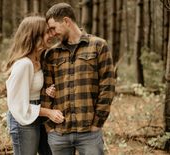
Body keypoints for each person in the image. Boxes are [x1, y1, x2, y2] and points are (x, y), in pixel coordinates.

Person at [40, 3, 115, 155]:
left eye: (53, 28)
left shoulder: (98, 46)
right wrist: (50, 128)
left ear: (66, 21)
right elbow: (45, 91)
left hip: (89, 133)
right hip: (59, 133)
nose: (52, 34)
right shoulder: (52, 54)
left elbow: (107, 87)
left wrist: (97, 123)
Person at [5, 16, 64, 155]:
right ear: (35, 35)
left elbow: (33, 88)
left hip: (38, 116)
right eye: (47, 32)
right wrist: (49, 112)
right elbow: (18, 104)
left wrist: (47, 91)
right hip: (23, 120)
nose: (51, 35)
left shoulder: (38, 59)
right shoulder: (24, 64)